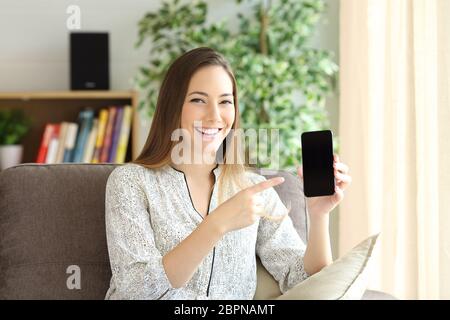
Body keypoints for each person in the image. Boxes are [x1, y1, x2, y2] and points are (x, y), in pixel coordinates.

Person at [104, 47, 352, 300]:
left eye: (225, 101)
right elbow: (135, 291)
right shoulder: (131, 182)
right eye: (198, 100)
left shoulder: (253, 189)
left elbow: (304, 283)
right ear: (173, 105)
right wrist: (217, 223)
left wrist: (319, 215)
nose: (215, 116)